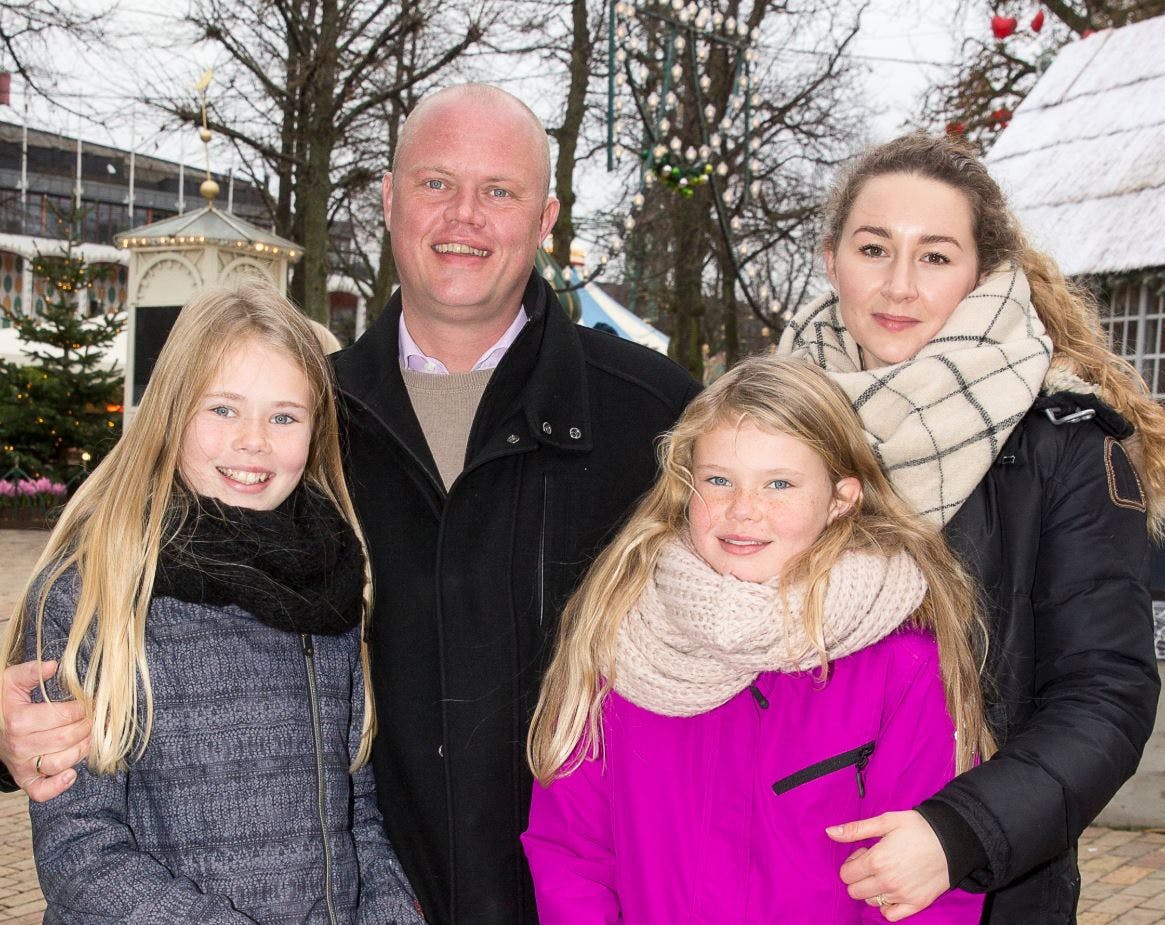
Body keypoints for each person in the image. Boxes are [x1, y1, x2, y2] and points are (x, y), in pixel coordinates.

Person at [0, 82, 699, 924]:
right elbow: (123, 622)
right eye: (437, 182)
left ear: (545, 217)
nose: (464, 216)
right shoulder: (307, 422)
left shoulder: (655, 417)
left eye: (499, 191)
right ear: (390, 199)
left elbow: (787, 619)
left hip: (583, 901)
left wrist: (907, 814)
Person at [778, 133, 1165, 922]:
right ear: (832, 260)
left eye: (934, 256)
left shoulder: (1064, 443)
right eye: (873, 248)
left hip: (974, 882)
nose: (899, 285)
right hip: (783, 863)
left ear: (981, 273)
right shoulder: (771, 425)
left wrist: (960, 832)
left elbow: (1107, 691)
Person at [0, 283, 422, 923]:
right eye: (223, 409)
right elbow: (81, 852)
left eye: (284, 416)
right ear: (170, 413)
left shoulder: (330, 586)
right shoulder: (94, 593)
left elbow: (356, 806)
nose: (253, 441)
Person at [522, 355, 991, 922]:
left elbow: (924, 890)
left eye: (779, 484)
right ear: (685, 486)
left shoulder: (901, 664)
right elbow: (573, 852)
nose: (743, 511)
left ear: (841, 498)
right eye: (719, 480)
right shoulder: (621, 637)